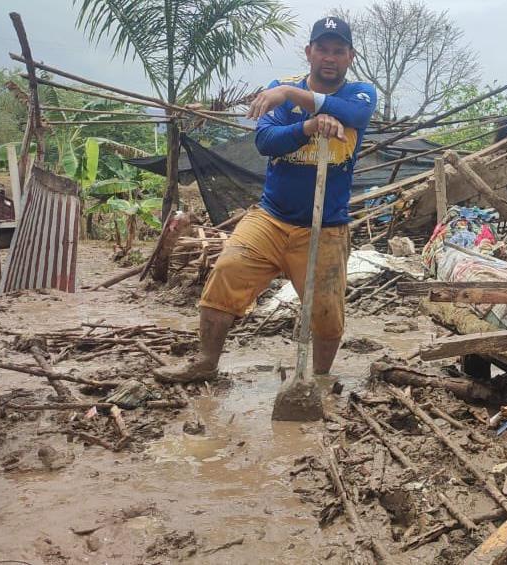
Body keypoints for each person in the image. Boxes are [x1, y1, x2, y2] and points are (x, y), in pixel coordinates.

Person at [154, 16, 377, 384]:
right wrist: (307, 127)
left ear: (350, 57)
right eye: (322, 48)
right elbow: (266, 141)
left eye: (339, 51)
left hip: (325, 226)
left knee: (326, 312)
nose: (330, 57)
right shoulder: (279, 89)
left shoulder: (359, 93)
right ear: (309, 52)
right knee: (226, 273)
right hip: (271, 218)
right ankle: (205, 363)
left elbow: (356, 114)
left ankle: (317, 378)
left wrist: (293, 98)